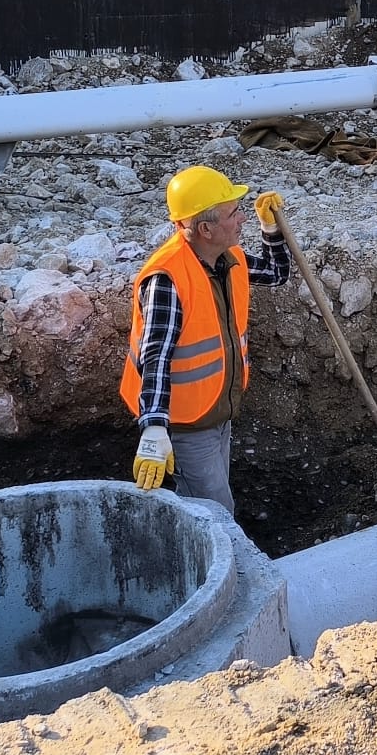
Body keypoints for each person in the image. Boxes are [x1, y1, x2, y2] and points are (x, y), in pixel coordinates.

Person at [120, 165, 290, 515]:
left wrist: (271, 228)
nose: (242, 218)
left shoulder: (228, 258)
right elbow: (156, 356)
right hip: (187, 424)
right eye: (234, 212)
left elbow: (276, 273)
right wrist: (153, 428)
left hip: (218, 409)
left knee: (212, 502)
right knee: (215, 513)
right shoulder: (167, 278)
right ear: (205, 228)